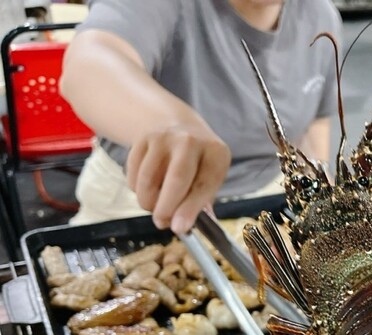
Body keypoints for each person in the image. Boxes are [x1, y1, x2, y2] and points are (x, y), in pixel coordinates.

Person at [59, 0, 342, 235]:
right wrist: (170, 123)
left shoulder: (320, 15)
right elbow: (89, 61)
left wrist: (321, 199)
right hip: (143, 198)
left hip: (267, 196)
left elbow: (315, 131)